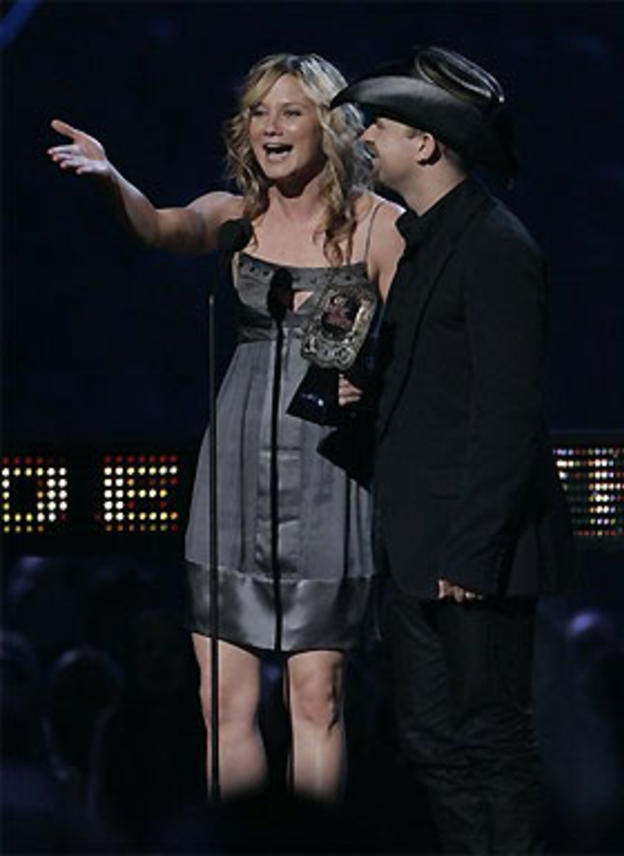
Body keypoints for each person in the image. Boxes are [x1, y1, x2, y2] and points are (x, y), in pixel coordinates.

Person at [47, 52, 404, 802]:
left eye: (290, 111)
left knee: (315, 695)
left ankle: (313, 848)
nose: (271, 127)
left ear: (327, 125)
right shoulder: (236, 216)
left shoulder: (382, 226)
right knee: (223, 698)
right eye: (258, 112)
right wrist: (113, 179)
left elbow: (426, 344)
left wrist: (369, 383)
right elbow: (163, 229)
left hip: (330, 466)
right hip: (237, 459)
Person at [333, 46, 577, 852]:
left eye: (383, 128)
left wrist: (471, 552)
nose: (366, 139)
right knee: (432, 745)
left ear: (428, 145)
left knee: (490, 744)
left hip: (474, 554)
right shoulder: (422, 240)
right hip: (414, 545)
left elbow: (508, 413)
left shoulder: (496, 246)